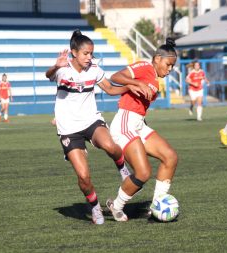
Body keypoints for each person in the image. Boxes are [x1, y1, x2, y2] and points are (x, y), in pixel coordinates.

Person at [45, 29, 143, 225]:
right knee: (83, 176)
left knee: (110, 146)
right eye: (85, 54)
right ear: (74, 52)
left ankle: (123, 169)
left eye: (91, 53)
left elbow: (110, 89)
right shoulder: (63, 70)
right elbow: (48, 76)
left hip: (91, 120)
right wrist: (55, 66)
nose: (90, 57)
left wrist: (130, 87)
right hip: (69, 129)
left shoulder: (95, 69)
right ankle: (96, 207)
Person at [106, 38, 179, 222]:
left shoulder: (155, 77)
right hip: (125, 123)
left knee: (170, 157)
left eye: (172, 66)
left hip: (138, 124)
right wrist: (136, 83)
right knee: (143, 173)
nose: (170, 69)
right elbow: (115, 77)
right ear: (156, 59)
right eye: (168, 64)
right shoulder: (145, 66)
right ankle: (116, 206)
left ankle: (156, 206)